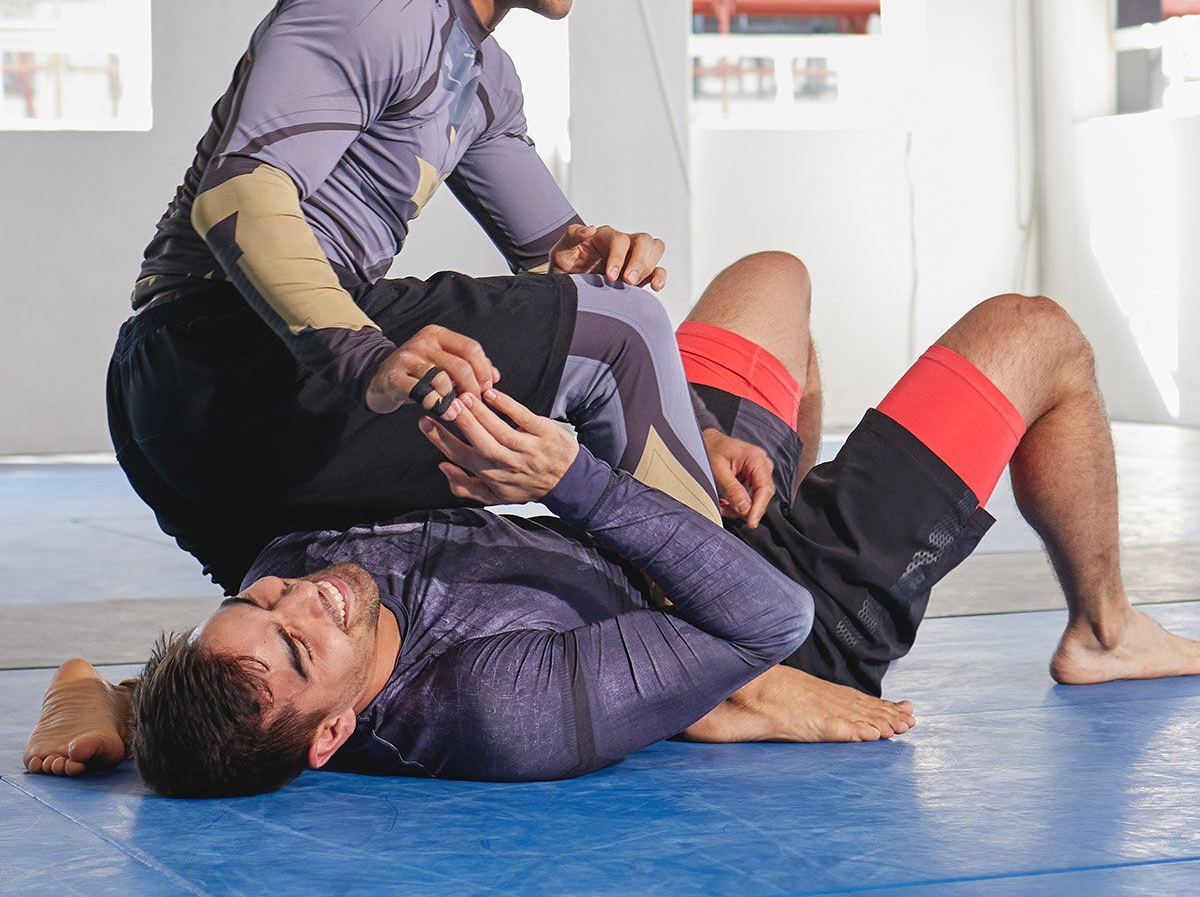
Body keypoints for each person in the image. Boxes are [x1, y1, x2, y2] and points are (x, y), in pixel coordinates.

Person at [27, 254, 1200, 793]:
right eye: (296, 640)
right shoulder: (493, 707)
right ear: (334, 735)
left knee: (775, 282)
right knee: (1036, 332)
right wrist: (579, 479)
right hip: (781, 626)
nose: (304, 592)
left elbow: (229, 687)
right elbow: (766, 616)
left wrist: (102, 697)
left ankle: (778, 489)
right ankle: (1104, 630)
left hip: (674, 529)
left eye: (261, 600)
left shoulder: (290, 602)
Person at [105, 0, 783, 602]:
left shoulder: (485, 78)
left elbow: (563, 265)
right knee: (624, 322)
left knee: (322, 632)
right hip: (218, 359)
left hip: (208, 414)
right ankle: (728, 618)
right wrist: (365, 357)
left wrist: (696, 430)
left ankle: (121, 691)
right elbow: (238, 197)